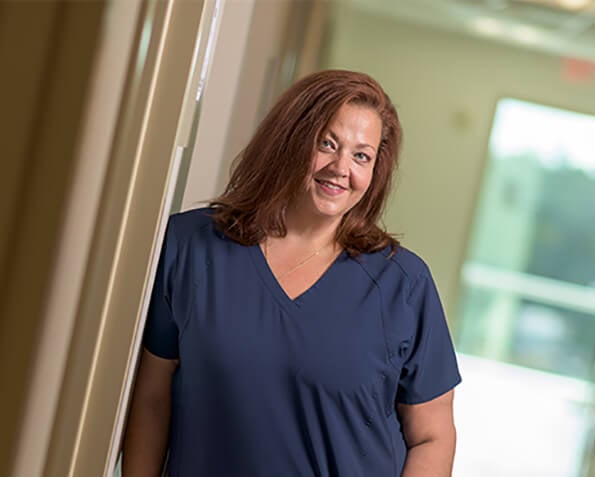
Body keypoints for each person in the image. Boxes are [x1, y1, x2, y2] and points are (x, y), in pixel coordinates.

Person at [122, 70, 461, 477]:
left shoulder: (403, 284)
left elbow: (433, 436)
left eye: (361, 156)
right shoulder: (191, 245)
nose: (341, 168)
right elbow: (152, 398)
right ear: (290, 139)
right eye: (327, 143)